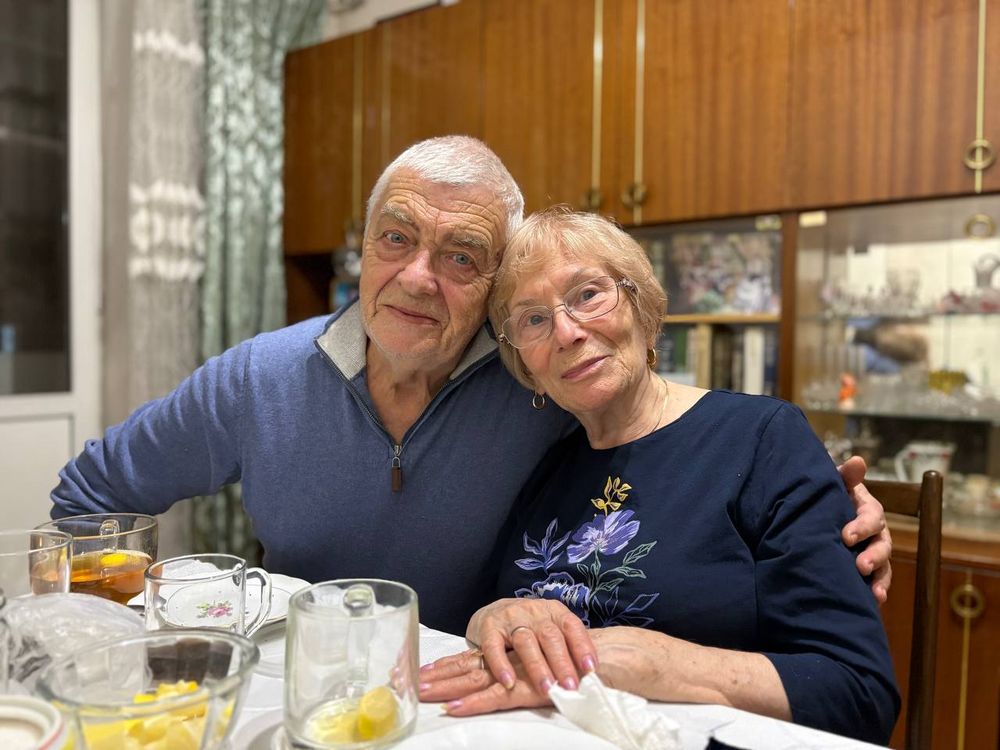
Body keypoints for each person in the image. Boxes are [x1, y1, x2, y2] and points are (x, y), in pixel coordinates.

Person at [51, 136, 892, 636]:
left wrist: (813, 514)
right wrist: (143, 621)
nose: (419, 277)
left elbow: (676, 446)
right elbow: (88, 499)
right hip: (302, 689)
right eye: (396, 238)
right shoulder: (257, 379)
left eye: (462, 256)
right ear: (361, 249)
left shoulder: (540, 381)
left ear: (495, 291)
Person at [418, 209, 898, 744]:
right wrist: (493, 615)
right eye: (533, 320)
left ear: (642, 306)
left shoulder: (763, 438)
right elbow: (498, 606)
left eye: (588, 295)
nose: (567, 332)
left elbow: (860, 692)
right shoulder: (547, 461)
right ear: (525, 366)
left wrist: (660, 664)